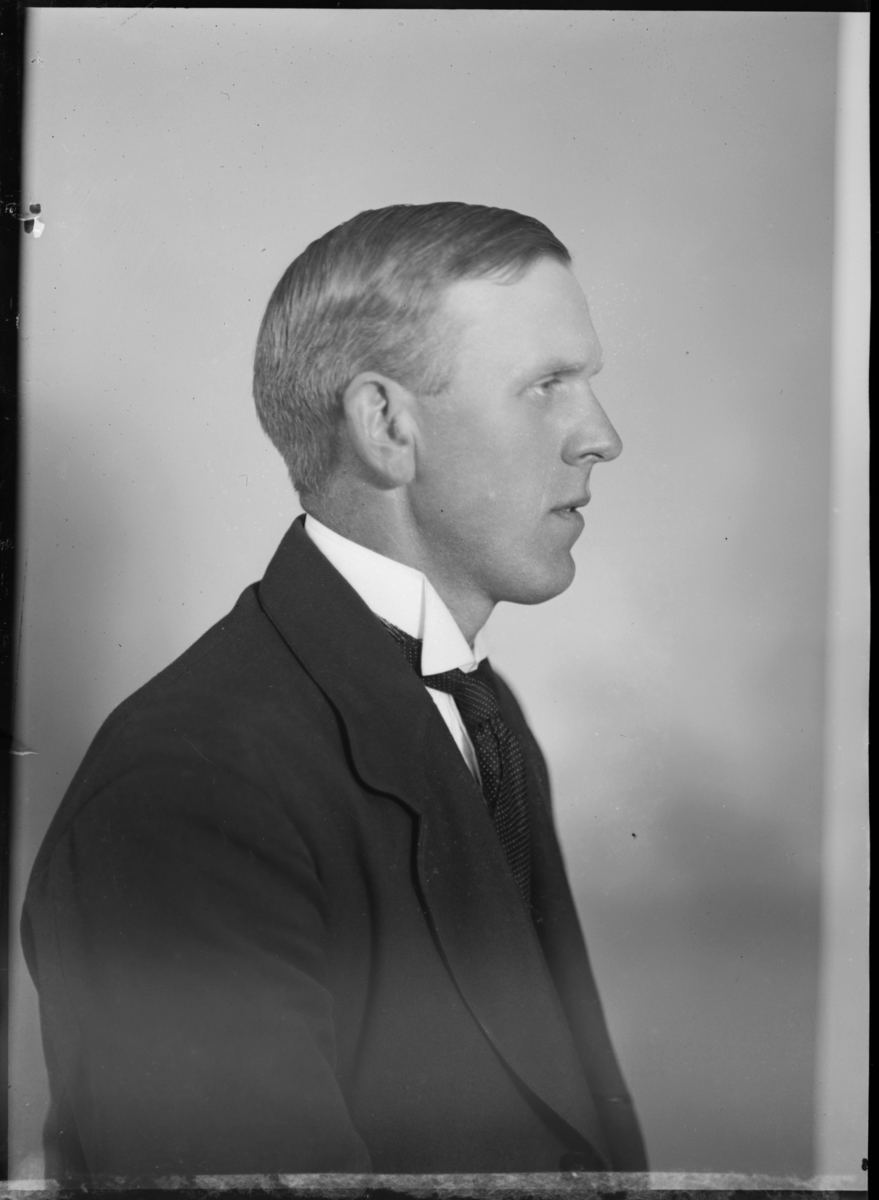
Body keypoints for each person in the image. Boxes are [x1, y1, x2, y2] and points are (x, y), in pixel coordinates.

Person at [21, 202, 648, 1180]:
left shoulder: (482, 712)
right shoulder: (189, 788)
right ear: (387, 427)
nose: (600, 436)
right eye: (546, 386)